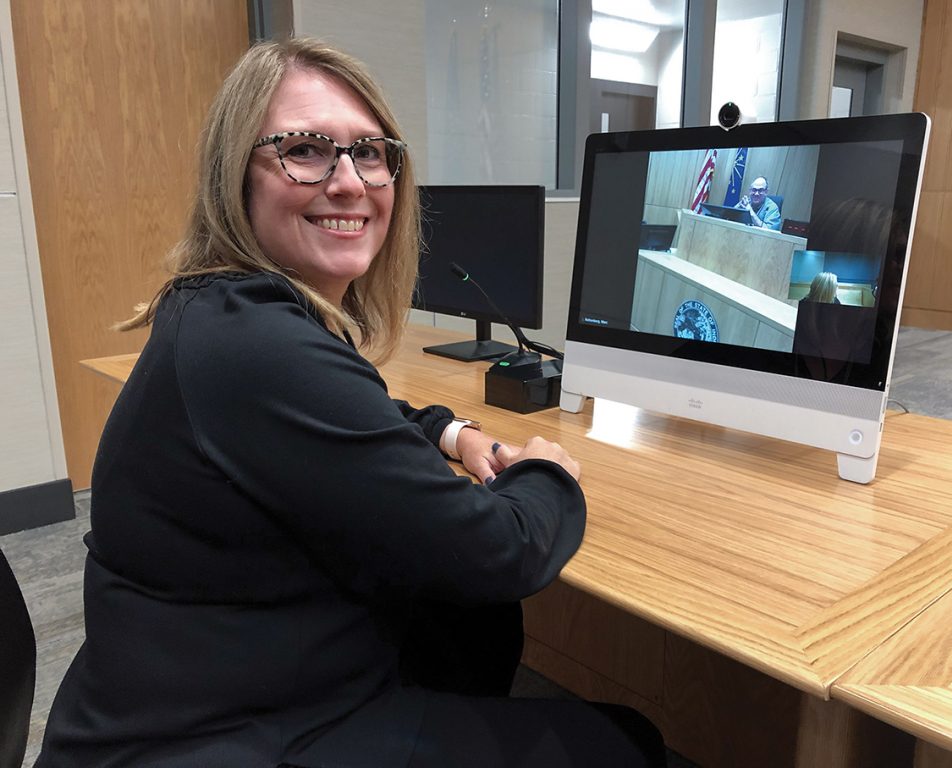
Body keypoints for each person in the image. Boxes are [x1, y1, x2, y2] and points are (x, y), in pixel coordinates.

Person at [35, 38, 666, 768]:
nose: (349, 182)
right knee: (623, 741)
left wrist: (449, 432)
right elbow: (502, 551)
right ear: (234, 175)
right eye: (304, 149)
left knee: (466, 631)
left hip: (203, 692)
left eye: (371, 153)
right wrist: (549, 473)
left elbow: (348, 419)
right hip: (218, 737)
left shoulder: (221, 312)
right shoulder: (259, 348)